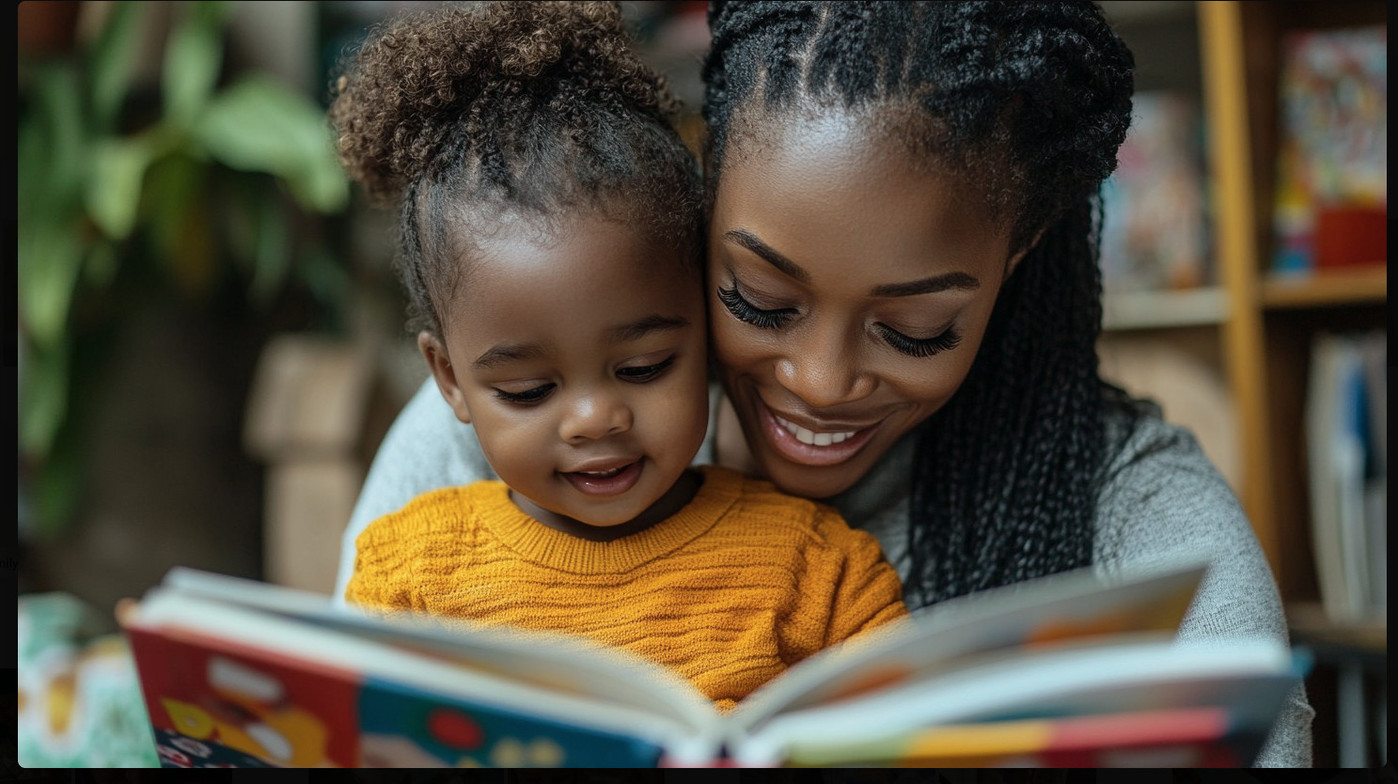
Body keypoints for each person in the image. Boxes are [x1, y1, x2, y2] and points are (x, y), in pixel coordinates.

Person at [335, 1, 1312, 765]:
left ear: (1016, 259)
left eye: (914, 327)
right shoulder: (479, 437)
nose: (820, 381)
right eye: (759, 297)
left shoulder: (1145, 530)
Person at [327, 1, 908, 712]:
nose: (595, 418)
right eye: (529, 389)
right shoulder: (409, 575)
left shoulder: (819, 574)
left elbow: (908, 733)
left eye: (643, 368)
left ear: (709, 322)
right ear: (448, 378)